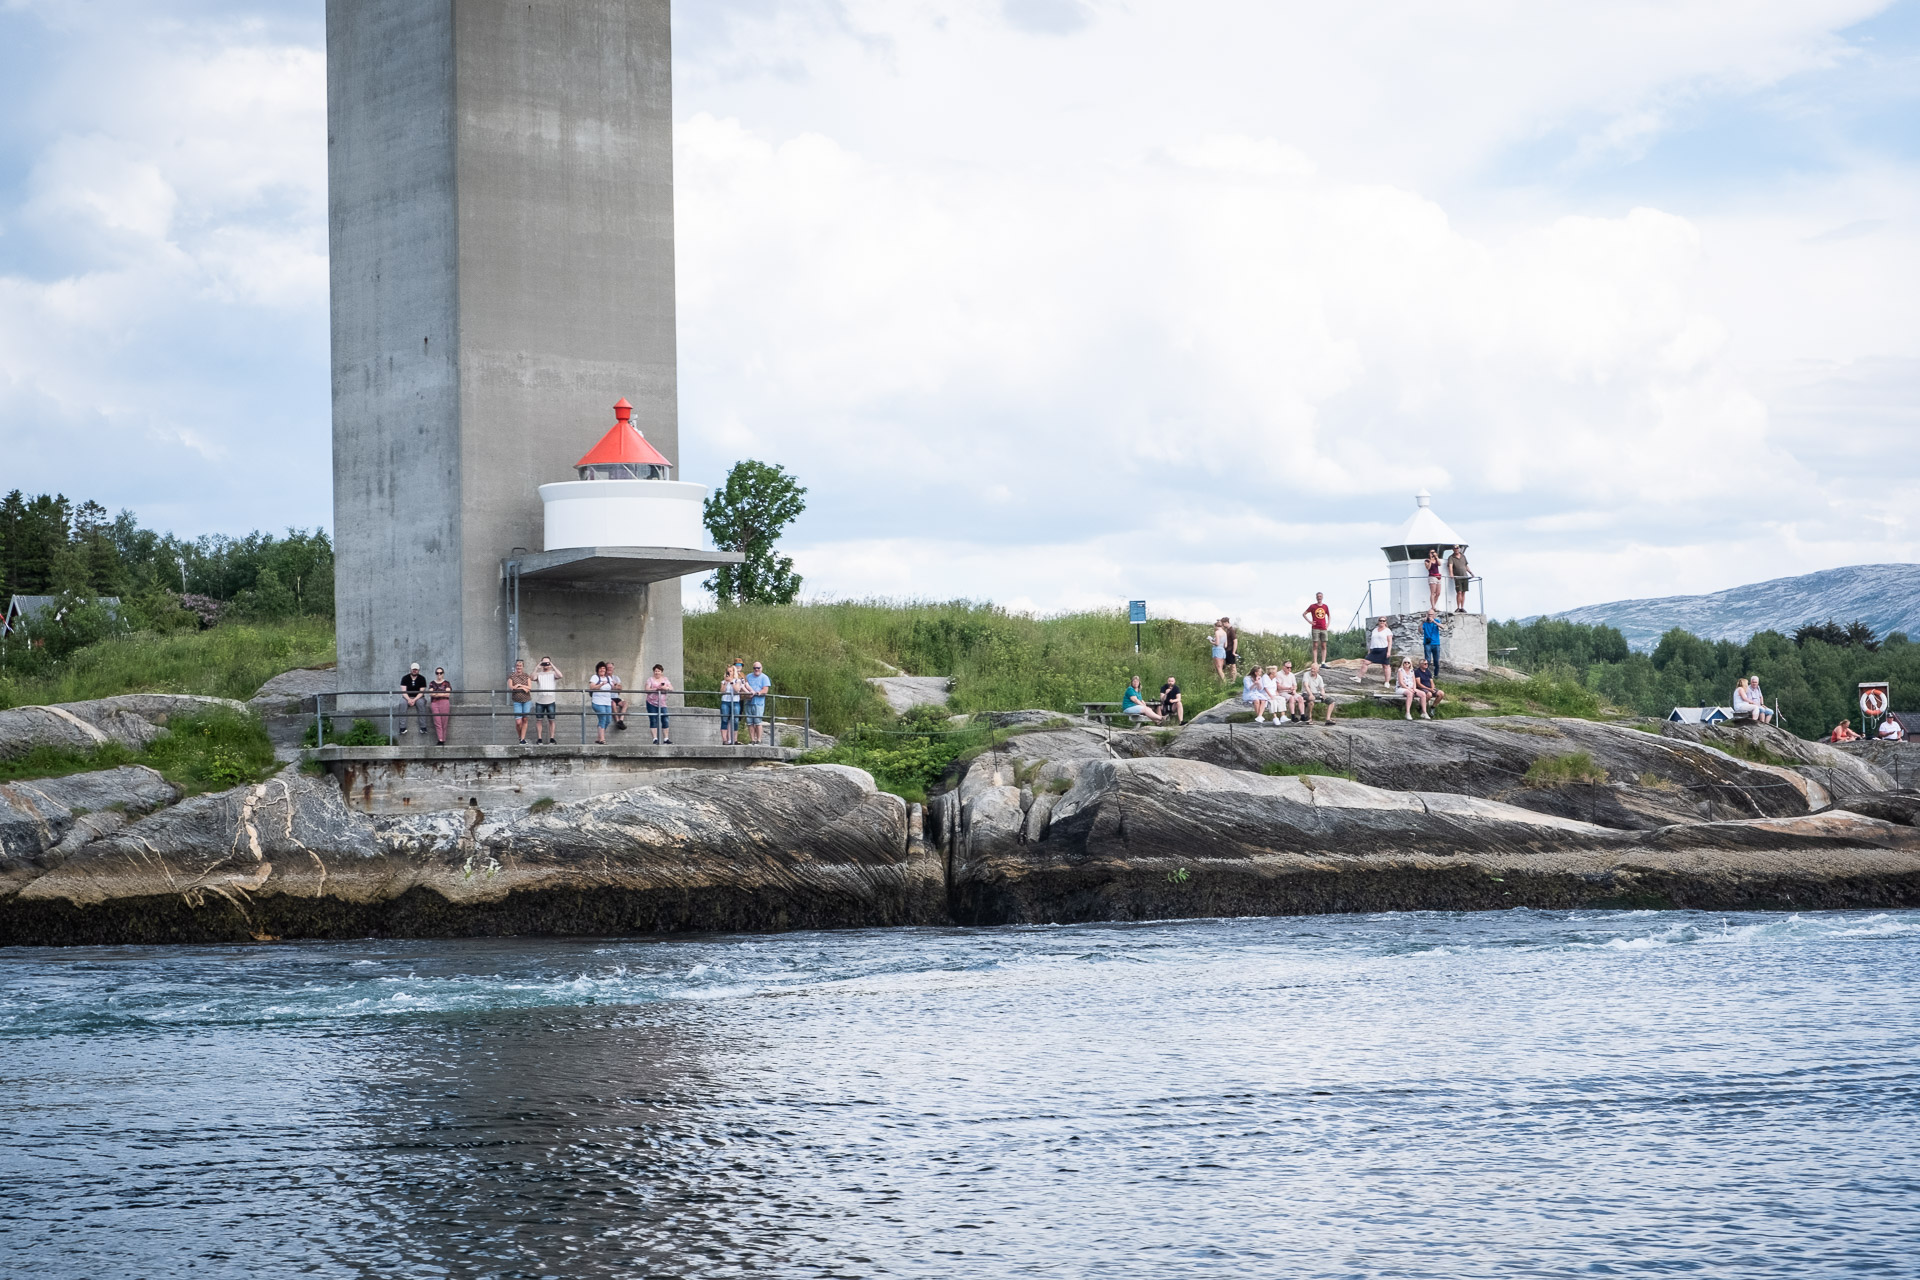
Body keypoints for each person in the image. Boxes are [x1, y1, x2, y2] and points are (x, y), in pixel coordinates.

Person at [531, 656, 562, 744]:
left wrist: (552, 665)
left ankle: (552, 738)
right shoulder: (539, 674)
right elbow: (532, 678)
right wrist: (537, 667)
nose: (546, 665)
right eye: (544, 663)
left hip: (551, 700)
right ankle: (539, 738)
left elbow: (560, 675)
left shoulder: (553, 673)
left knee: (552, 720)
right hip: (540, 701)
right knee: (539, 720)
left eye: (547, 663)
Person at [588, 661, 619, 745]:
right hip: (598, 702)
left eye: (604, 668)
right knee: (602, 719)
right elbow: (592, 687)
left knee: (608, 720)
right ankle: (602, 739)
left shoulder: (608, 678)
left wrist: (616, 685)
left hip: (607, 702)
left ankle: (599, 737)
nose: (602, 670)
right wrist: (601, 685)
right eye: (600, 668)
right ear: (597, 669)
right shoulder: (595, 677)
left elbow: (615, 687)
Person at [745, 660, 772, 745]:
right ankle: (752, 739)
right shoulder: (748, 676)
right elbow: (744, 685)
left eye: (758, 668)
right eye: (755, 668)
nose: (756, 669)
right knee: (749, 722)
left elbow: (765, 689)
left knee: (757, 721)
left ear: (761, 668)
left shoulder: (764, 677)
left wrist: (758, 693)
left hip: (758, 703)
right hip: (748, 702)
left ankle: (759, 740)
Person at [645, 664, 673, 744]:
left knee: (665, 719)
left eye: (658, 671)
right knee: (653, 719)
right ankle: (655, 738)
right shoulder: (650, 679)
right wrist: (656, 689)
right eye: (655, 671)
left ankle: (666, 738)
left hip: (662, 703)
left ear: (661, 672)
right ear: (653, 672)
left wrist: (665, 688)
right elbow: (646, 689)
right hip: (651, 702)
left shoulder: (665, 679)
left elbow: (671, 688)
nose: (657, 673)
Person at [507, 659, 533, 745]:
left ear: (523, 667)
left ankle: (522, 739)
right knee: (518, 722)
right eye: (517, 666)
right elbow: (511, 687)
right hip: (517, 701)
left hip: (526, 700)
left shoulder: (526, 676)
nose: (519, 667)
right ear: (516, 666)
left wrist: (519, 685)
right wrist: (523, 688)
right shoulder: (511, 676)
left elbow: (529, 688)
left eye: (520, 666)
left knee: (525, 719)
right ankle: (519, 737)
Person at [399, 662, 429, 736]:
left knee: (421, 704)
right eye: (413, 669)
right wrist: (409, 699)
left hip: (419, 697)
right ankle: (402, 728)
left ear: (418, 670)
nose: (414, 671)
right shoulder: (405, 678)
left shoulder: (422, 678)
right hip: (407, 697)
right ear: (410, 669)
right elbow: (403, 691)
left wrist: (414, 700)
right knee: (402, 704)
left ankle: (423, 727)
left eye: (416, 669)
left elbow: (421, 692)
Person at [1362, 618, 1395, 686]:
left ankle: (1387, 682)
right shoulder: (1375, 630)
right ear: (1378, 621)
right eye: (1380, 620)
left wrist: (1388, 651)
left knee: (1386, 665)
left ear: (1385, 622)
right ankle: (1358, 677)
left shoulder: (1387, 630)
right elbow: (1372, 641)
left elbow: (1390, 641)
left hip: (1384, 649)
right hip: (1374, 649)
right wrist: (1369, 650)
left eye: (1383, 621)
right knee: (1366, 662)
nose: (1382, 622)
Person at [1302, 593, 1332, 665]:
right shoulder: (1312, 606)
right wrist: (1310, 622)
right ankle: (1315, 662)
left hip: (1323, 628)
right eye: (1318, 596)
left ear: (1322, 597)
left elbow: (1329, 616)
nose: (1319, 598)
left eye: (1320, 596)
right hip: (1315, 628)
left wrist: (1328, 623)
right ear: (1316, 597)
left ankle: (1323, 662)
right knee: (1315, 645)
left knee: (1323, 645)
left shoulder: (1325, 606)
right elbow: (1304, 614)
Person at [719, 662, 744, 745]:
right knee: (725, 719)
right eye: (728, 671)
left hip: (735, 702)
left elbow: (737, 690)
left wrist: (731, 682)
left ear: (734, 672)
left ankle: (734, 739)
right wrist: (726, 682)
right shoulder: (723, 681)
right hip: (725, 701)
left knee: (736, 720)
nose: (729, 672)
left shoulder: (738, 680)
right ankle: (725, 740)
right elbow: (722, 691)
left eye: (731, 671)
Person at [427, 667, 453, 744]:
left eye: (440, 673)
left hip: (444, 702)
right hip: (435, 703)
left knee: (444, 721)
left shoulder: (446, 683)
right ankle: (440, 739)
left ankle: (443, 739)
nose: (439, 674)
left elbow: (447, 695)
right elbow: (431, 694)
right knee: (437, 721)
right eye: (437, 673)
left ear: (443, 673)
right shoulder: (432, 683)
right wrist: (442, 693)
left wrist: (436, 693)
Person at [1447, 545, 1472, 612]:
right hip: (1458, 577)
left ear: (1459, 549)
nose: (1456, 549)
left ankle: (1462, 607)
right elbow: (1450, 566)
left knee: (1464, 592)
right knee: (1459, 592)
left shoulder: (1463, 556)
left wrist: (1471, 573)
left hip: (1465, 576)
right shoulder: (1451, 557)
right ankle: (1458, 607)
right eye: (1455, 548)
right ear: (1453, 549)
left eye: (1457, 548)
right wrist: (1451, 573)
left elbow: (1466, 566)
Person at [1421, 609, 1443, 683]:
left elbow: (1442, 627)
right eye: (1429, 614)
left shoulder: (1436, 621)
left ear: (1434, 615)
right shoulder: (1425, 623)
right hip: (1427, 643)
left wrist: (1434, 621)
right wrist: (1422, 623)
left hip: (1436, 643)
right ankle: (1427, 675)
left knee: (1436, 661)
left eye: (1431, 614)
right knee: (1428, 660)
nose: (1430, 616)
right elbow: (1420, 631)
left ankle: (1436, 675)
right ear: (1427, 615)